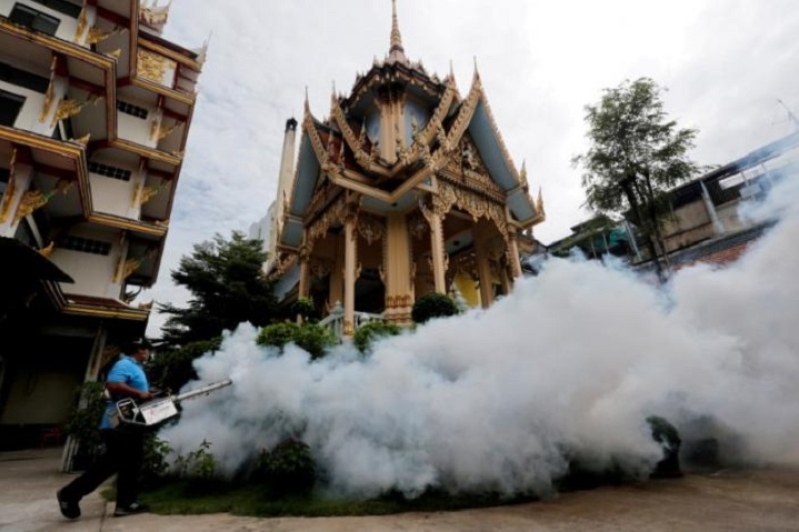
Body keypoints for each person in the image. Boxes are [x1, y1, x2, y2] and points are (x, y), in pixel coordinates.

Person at [57, 338, 154, 519]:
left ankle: (125, 504)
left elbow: (133, 393)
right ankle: (70, 494)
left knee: (128, 464)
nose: (148, 353)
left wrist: (148, 394)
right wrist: (140, 393)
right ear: (140, 349)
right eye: (147, 349)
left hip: (131, 422)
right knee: (115, 464)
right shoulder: (124, 364)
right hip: (118, 423)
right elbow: (113, 385)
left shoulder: (137, 367)